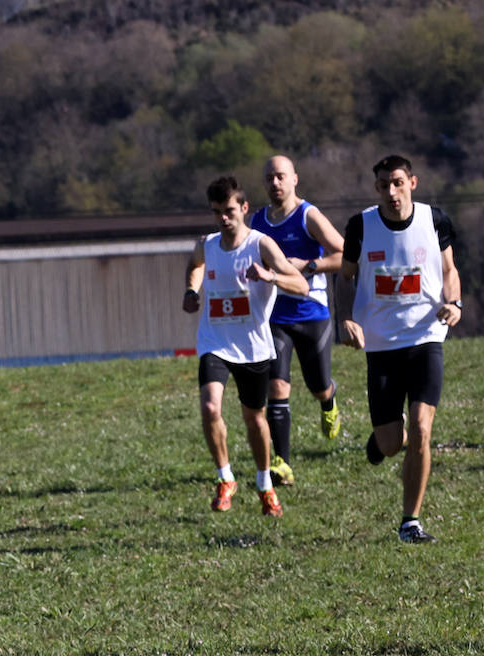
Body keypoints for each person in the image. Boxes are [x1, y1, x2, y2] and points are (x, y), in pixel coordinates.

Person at [333, 155, 463, 544]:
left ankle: (410, 522)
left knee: (422, 429)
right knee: (392, 444)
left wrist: (454, 303)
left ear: (412, 183)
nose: (391, 191)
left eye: (398, 182)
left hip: (425, 338)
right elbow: (345, 278)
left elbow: (450, 270)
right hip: (381, 346)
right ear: (377, 189)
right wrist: (345, 319)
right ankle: (383, 438)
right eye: (384, 185)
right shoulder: (360, 226)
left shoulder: (433, 220)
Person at [183, 176, 309, 517]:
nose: (223, 219)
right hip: (215, 342)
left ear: (244, 208)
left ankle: (265, 484)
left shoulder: (262, 245)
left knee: (254, 419)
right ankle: (225, 478)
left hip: (253, 348)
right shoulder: (206, 245)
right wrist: (192, 292)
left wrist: (271, 277)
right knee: (210, 408)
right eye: (216, 213)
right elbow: (194, 267)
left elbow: (301, 286)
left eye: (229, 211)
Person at [249, 155, 346, 486]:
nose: (274, 183)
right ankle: (282, 463)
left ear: (294, 179)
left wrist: (309, 264)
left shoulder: (309, 216)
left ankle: (329, 402)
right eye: (269, 178)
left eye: (280, 177)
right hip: (274, 316)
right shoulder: (257, 221)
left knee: (318, 385)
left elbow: (345, 255)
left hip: (312, 313)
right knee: (277, 386)